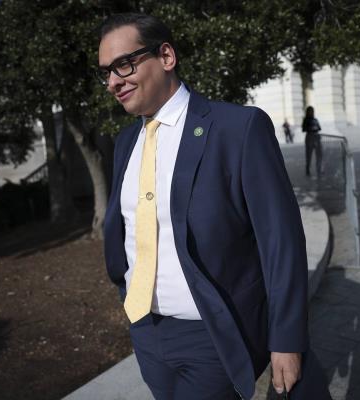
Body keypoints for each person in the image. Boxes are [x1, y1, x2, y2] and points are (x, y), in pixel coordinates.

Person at [99, 13, 331, 400]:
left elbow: (281, 242)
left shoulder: (238, 129)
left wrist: (287, 340)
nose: (112, 81)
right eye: (105, 72)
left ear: (167, 56)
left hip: (211, 337)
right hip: (146, 332)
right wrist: (128, 296)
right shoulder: (125, 143)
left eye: (123, 64)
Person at [302, 106, 323, 177]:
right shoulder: (306, 120)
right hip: (309, 138)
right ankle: (308, 169)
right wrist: (311, 127)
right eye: (310, 111)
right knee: (309, 155)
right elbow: (303, 129)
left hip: (316, 137)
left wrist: (316, 128)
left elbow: (319, 128)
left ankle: (319, 169)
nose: (312, 112)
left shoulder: (315, 119)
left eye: (312, 111)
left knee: (319, 155)